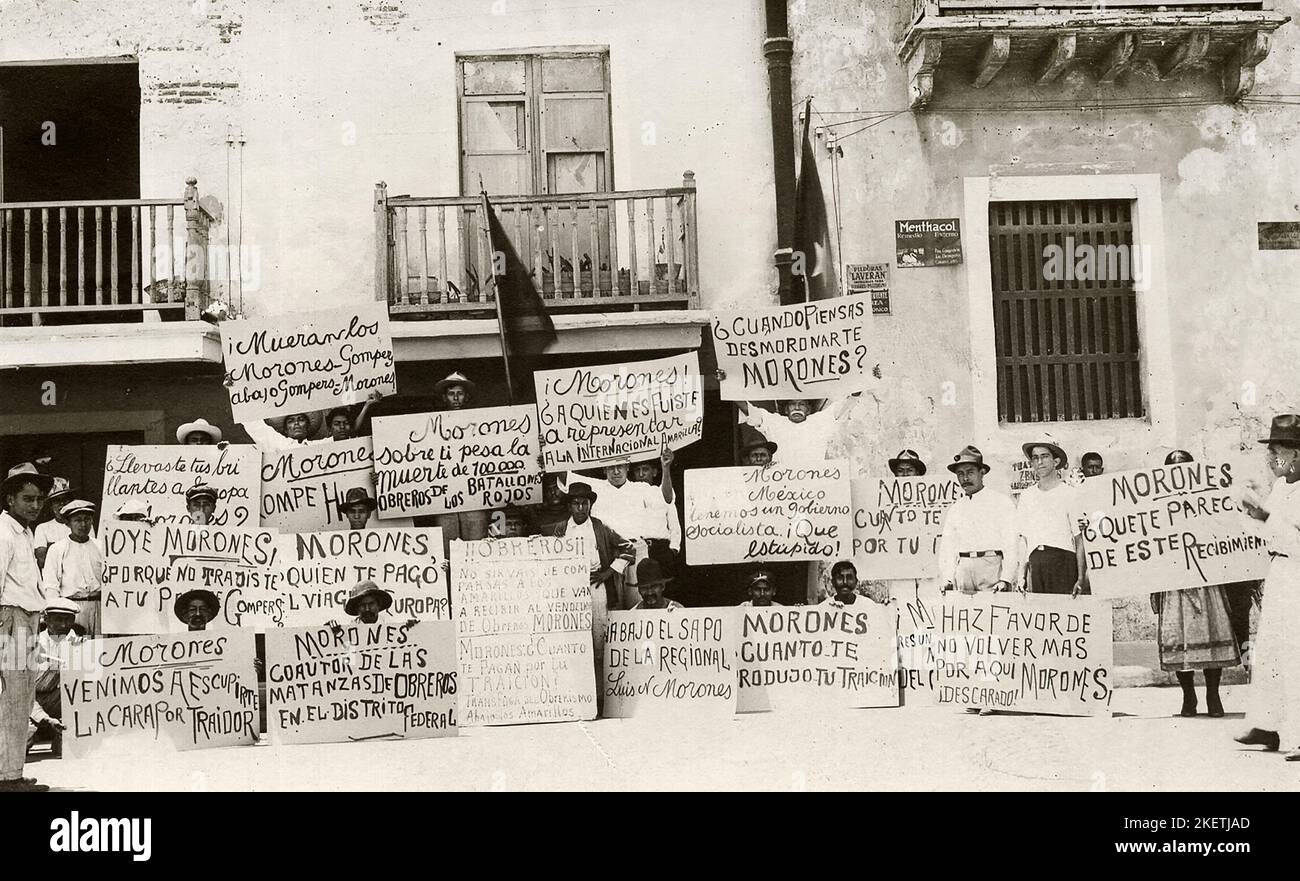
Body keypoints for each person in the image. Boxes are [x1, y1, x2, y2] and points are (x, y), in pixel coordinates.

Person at [1149, 450, 1239, 718]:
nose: (1178, 472)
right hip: (1173, 583)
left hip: (1205, 581)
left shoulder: (1208, 501)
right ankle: (1188, 696)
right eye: (1173, 467)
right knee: (1177, 637)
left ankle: (1213, 694)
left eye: (1184, 467)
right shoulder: (1155, 505)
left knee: (1211, 634)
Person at [1237, 414, 1300, 756]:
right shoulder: (1282, 487)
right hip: (1281, 574)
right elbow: (1271, 533)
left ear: (1297, 455)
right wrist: (1256, 516)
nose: (1271, 459)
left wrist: (1266, 518)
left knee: (1295, 655)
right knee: (1273, 651)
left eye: (1277, 452)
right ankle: (1269, 726)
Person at [558, 449, 676, 610]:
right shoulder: (594, 486)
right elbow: (565, 478)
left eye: (620, 466)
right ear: (604, 469)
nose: (616, 471)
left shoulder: (641, 487)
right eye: (611, 467)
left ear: (627, 467)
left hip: (636, 552)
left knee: (637, 602)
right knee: (612, 606)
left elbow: (667, 498)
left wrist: (666, 468)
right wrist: (551, 450)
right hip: (608, 553)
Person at [1, 463, 54, 791]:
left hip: (26, 618)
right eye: (27, 499)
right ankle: (8, 777)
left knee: (21, 697)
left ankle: (11, 770)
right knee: (13, 699)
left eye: (38, 500)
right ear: (10, 500)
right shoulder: (4, 533)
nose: (35, 506)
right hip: (11, 619)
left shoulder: (23, 531)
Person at [937, 445, 1020, 595]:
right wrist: (948, 578)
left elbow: (1012, 543)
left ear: (982, 473)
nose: (965, 479)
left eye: (970, 473)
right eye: (960, 474)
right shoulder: (956, 508)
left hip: (991, 568)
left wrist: (1006, 578)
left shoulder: (1001, 502)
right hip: (963, 570)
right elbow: (948, 547)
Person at [424, 371, 492, 549]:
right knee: (447, 549)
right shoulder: (431, 426)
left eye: (460, 393)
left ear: (466, 397)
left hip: (474, 495)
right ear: (444, 397)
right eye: (451, 394)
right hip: (445, 498)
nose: (455, 398)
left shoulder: (481, 424)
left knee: (477, 547)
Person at [1014, 439, 1086, 596]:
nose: (1039, 462)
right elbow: (1024, 540)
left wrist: (1080, 578)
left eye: (1045, 456)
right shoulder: (1027, 496)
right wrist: (1021, 576)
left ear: (1056, 461)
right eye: (1035, 457)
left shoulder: (1069, 493)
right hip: (1036, 563)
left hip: (1063, 563)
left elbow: (1079, 540)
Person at [733, 392, 864, 464]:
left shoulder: (821, 420)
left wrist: (863, 381)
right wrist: (728, 385)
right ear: (785, 409)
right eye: (792, 404)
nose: (796, 407)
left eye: (801, 404)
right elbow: (747, 409)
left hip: (815, 480)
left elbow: (847, 403)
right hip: (782, 481)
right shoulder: (774, 422)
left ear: (808, 410)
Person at [27, 597, 83, 759]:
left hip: (61, 703)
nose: (64, 625)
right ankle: (34, 732)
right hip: (31, 704)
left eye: (68, 620)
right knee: (19, 746)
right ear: (46, 619)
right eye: (58, 619)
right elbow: (23, 692)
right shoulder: (32, 644)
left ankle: (64, 734)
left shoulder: (81, 644)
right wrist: (43, 718)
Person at [40, 500, 104, 636]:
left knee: (100, 649)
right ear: (68, 523)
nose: (83, 524)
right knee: (76, 651)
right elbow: (51, 586)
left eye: (87, 519)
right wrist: (56, 615)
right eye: (77, 520)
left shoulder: (101, 547)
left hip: (99, 606)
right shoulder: (57, 549)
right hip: (72, 609)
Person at [33, 477, 86, 569]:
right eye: (57, 500)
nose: (62, 503)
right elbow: (42, 560)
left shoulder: (83, 524)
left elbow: (89, 555)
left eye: (65, 499)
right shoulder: (42, 528)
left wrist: (52, 548)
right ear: (51, 506)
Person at [242, 411, 331, 449]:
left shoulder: (319, 446)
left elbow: (339, 440)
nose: (296, 423)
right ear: (285, 430)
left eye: (301, 419)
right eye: (291, 421)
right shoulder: (278, 444)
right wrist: (236, 386)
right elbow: (255, 426)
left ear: (307, 427)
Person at [819, 560, 884, 606]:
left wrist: (886, 609)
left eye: (849, 578)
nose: (845, 582)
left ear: (856, 581)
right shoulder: (823, 608)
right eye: (840, 578)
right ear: (833, 582)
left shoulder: (868, 605)